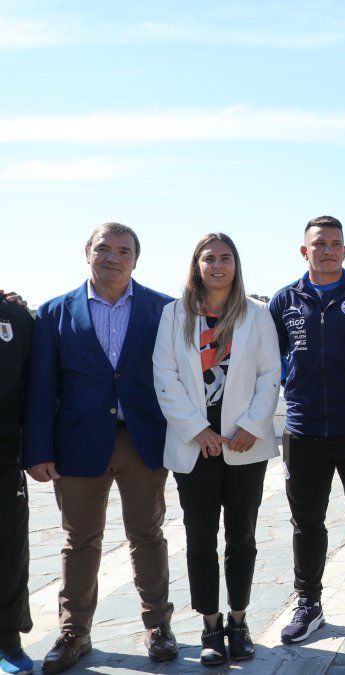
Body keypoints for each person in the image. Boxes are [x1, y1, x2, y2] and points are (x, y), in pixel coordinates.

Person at [23, 223, 177, 672]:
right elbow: (41, 387)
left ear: (136, 259)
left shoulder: (162, 309)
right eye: (103, 249)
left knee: (147, 535)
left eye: (123, 250)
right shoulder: (54, 312)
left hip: (141, 441)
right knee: (80, 541)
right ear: (86, 253)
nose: (113, 257)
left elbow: (176, 377)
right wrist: (37, 449)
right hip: (77, 445)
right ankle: (74, 634)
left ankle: (158, 626)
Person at [152, 233, 280, 666]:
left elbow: (270, 375)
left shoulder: (257, 315)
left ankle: (239, 621)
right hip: (196, 448)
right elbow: (165, 378)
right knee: (200, 539)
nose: (218, 266)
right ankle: (210, 627)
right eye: (210, 258)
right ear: (197, 265)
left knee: (241, 537)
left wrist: (251, 425)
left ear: (236, 265)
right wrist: (197, 430)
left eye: (226, 258)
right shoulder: (174, 315)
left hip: (245, 445)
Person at [269, 216, 345, 646]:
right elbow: (273, 358)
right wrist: (293, 388)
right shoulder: (285, 300)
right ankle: (308, 603)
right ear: (305, 251)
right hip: (302, 431)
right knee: (307, 523)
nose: (328, 250)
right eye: (319, 244)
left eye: (336, 244)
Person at [0, 297, 34, 675]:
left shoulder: (14, 316)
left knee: (8, 552)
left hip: (5, 458)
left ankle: (7, 638)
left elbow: (36, 385)